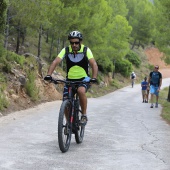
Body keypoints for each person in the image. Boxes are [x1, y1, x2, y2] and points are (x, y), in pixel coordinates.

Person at [44, 30, 98, 125]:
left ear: (80, 42)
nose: (74, 45)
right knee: (65, 100)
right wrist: (49, 75)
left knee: (81, 91)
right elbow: (55, 62)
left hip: (83, 79)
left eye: (76, 42)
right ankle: (69, 123)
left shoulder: (86, 50)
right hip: (70, 79)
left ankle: (84, 115)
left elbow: (93, 63)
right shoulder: (66, 50)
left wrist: (94, 77)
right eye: (72, 43)